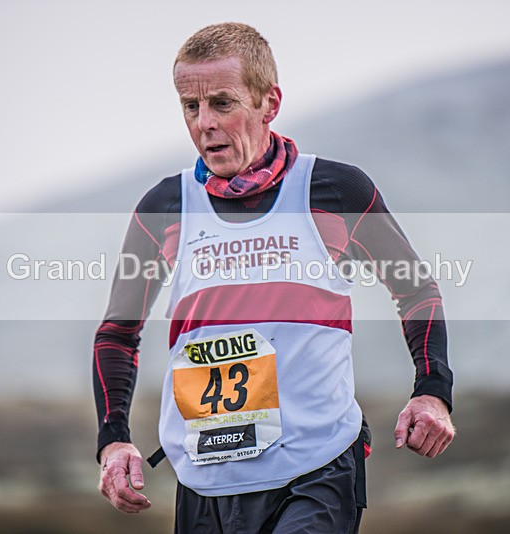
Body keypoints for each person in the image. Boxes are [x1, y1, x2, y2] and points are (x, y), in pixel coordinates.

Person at [94, 22, 455, 533]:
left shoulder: (335, 190)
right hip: (205, 479)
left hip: (316, 468)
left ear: (269, 102)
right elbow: (118, 332)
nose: (204, 123)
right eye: (190, 106)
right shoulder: (165, 207)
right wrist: (113, 441)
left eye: (222, 103)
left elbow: (415, 290)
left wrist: (432, 391)